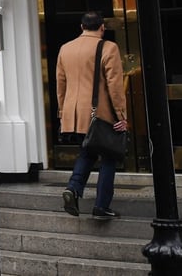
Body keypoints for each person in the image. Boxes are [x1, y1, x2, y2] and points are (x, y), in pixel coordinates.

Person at [57, 11, 128, 220]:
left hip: (74, 113)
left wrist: (63, 113)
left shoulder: (65, 49)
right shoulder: (108, 47)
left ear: (81, 27)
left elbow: (61, 85)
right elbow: (114, 85)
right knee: (109, 157)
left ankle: (73, 188)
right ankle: (101, 206)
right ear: (102, 27)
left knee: (87, 152)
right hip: (101, 113)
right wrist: (121, 115)